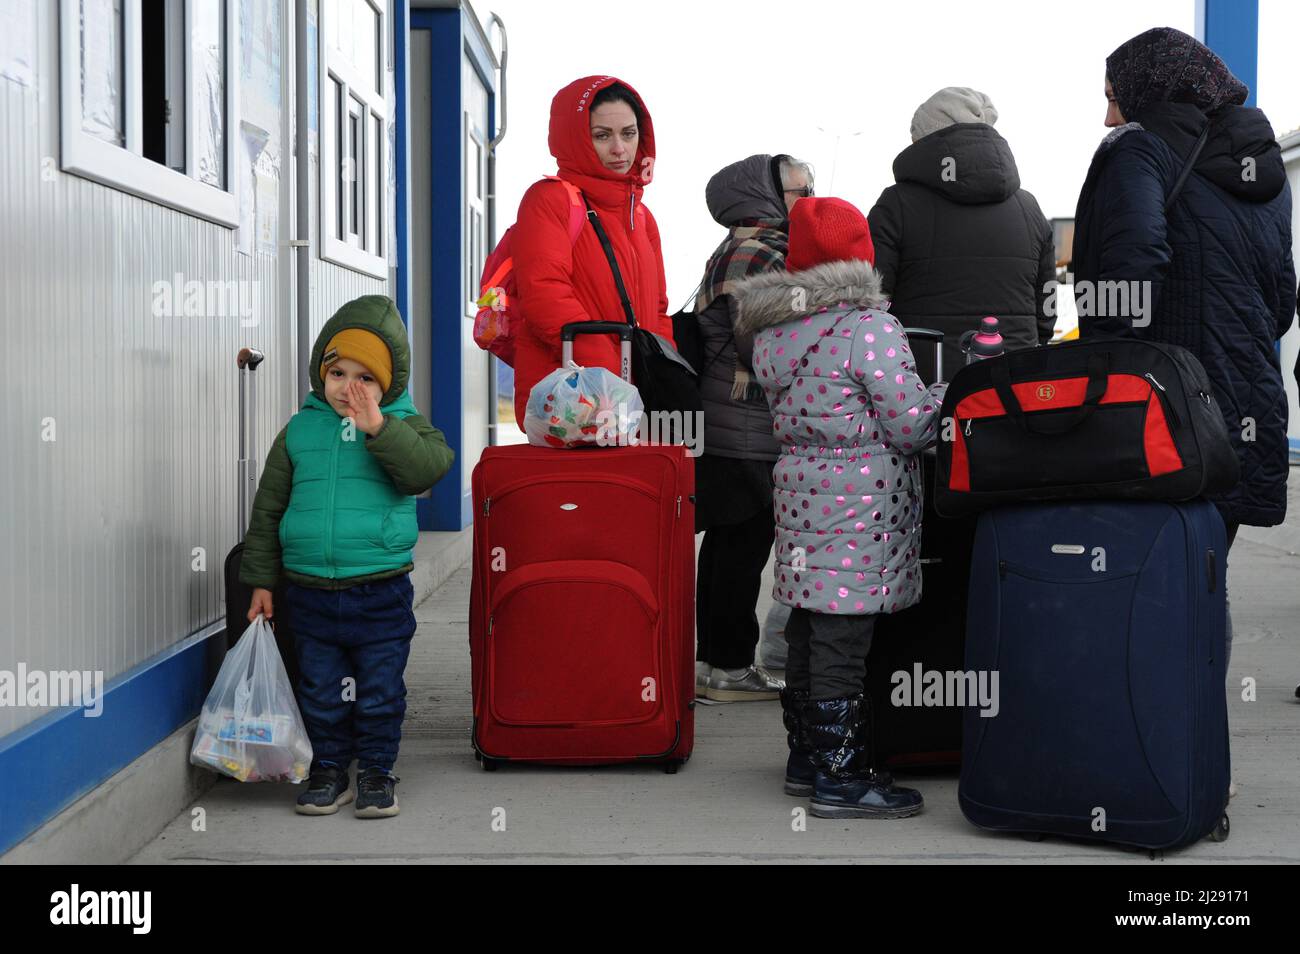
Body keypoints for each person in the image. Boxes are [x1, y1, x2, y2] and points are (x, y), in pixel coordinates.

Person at [1073, 27, 1297, 678]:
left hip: (1159, 404)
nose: (1108, 116)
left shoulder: (1141, 150)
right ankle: (1195, 758)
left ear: (1148, 89)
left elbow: (1130, 271)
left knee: (1141, 579)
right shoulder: (1264, 172)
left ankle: (1143, 755)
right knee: (1200, 573)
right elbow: (1281, 299)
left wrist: (1106, 374)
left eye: (1115, 96)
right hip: (1240, 404)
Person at [734, 197, 947, 818]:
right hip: (859, 504)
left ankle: (806, 759)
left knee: (805, 622)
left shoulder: (773, 332)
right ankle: (841, 777)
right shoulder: (869, 328)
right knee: (842, 641)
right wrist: (943, 395)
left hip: (802, 496)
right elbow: (910, 427)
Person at [240, 295, 455, 818]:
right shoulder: (298, 430)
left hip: (379, 587)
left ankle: (378, 772)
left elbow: (428, 469)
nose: (350, 389)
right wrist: (262, 581)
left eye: (366, 379)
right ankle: (329, 770)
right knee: (321, 691)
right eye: (338, 373)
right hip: (309, 590)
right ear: (321, 371)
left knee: (380, 689)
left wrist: (380, 429)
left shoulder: (403, 426)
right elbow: (268, 511)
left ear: (387, 385)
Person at [692, 154, 812, 702]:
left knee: (725, 545)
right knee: (744, 548)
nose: (806, 200)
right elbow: (758, 342)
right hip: (745, 423)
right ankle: (732, 669)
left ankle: (715, 662)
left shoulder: (738, 246)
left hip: (724, 419)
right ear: (761, 197)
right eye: (796, 191)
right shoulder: (762, 252)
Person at [510, 76, 672, 430]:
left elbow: (658, 310)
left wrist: (662, 377)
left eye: (629, 134)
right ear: (576, 138)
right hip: (571, 399)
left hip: (632, 403)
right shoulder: (549, 200)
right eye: (602, 136)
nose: (620, 149)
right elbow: (546, 295)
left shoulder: (642, 217)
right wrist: (612, 383)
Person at [867, 87, 1056, 379]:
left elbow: (870, 302)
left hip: (920, 387)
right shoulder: (1029, 208)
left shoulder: (896, 204)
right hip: (1013, 386)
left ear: (926, 139)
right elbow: (1046, 305)